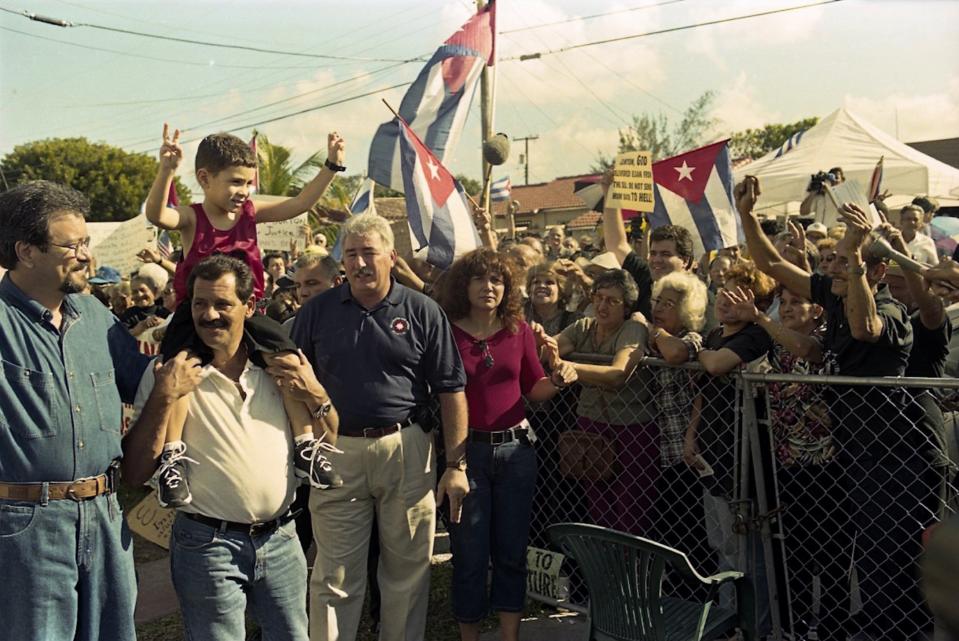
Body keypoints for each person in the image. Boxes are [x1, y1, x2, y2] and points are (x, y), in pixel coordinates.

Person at [738, 175, 942, 640]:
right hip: (858, 455)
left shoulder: (888, 311)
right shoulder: (836, 291)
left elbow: (865, 327)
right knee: (870, 562)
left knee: (891, 561)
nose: (830, 273)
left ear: (870, 273)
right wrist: (748, 214)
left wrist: (854, 265)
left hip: (898, 458)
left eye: (846, 267)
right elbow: (769, 261)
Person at [123, 255, 336, 641]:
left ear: (249, 306)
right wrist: (165, 395)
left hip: (282, 538)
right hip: (207, 546)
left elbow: (332, 435)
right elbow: (135, 472)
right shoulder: (172, 371)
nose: (210, 315)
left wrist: (317, 394)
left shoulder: (278, 365)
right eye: (200, 303)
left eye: (223, 304)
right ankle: (176, 463)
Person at [288, 212, 469, 641]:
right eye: (350, 254)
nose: (359, 263)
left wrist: (456, 465)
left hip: (406, 449)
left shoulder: (423, 310)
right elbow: (290, 380)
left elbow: (452, 390)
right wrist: (306, 445)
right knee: (333, 573)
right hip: (335, 451)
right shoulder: (316, 312)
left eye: (368, 253)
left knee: (406, 570)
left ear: (391, 256)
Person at [0, 180, 168, 641]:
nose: (86, 255)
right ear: (26, 251)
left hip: (107, 519)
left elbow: (147, 378)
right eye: (72, 245)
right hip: (27, 527)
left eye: (86, 242)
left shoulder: (96, 316)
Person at [144, 125, 346, 505]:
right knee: (179, 372)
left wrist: (332, 165)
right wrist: (166, 169)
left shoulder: (251, 213)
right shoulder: (192, 216)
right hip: (198, 313)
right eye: (236, 182)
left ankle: (305, 446)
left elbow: (300, 203)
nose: (244, 191)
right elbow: (158, 216)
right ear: (205, 178)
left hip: (247, 311)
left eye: (248, 183)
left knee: (286, 360)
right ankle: (172, 457)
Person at [440, 248, 577, 641]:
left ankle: (509, 636)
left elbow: (534, 389)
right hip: (467, 456)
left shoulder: (518, 330)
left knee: (511, 553)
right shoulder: (447, 331)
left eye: (497, 280)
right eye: (480, 278)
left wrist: (562, 377)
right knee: (468, 556)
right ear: (464, 285)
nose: (489, 287)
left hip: (518, 453)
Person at [724, 284, 848, 641]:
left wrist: (760, 317)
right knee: (791, 551)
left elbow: (808, 353)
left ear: (818, 311)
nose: (788, 308)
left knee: (831, 555)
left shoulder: (826, 342)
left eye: (798, 303)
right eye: (785, 303)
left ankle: (832, 629)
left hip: (826, 464)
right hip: (786, 462)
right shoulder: (776, 347)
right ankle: (793, 627)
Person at [553, 269, 658, 535]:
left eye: (612, 300)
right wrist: (541, 342)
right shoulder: (584, 326)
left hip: (631, 431)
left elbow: (618, 373)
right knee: (598, 507)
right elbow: (550, 349)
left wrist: (570, 368)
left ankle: (629, 573)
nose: (602, 305)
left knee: (630, 511)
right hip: (589, 427)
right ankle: (603, 570)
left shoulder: (632, 329)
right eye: (598, 297)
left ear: (627, 306)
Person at [644, 271, 713, 577]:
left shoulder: (692, 338)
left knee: (693, 533)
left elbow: (676, 354)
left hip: (687, 452)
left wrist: (653, 332)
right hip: (657, 451)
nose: (659, 309)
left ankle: (700, 603)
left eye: (668, 304)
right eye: (658, 301)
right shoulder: (652, 341)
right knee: (667, 533)